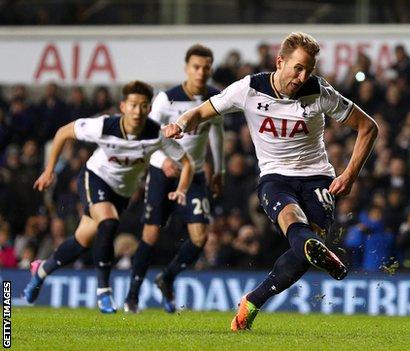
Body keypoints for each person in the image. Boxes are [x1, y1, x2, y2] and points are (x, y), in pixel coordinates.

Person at [163, 32, 378, 331]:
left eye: (309, 70)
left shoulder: (320, 92)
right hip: (275, 177)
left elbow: (368, 127)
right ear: (280, 62)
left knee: (304, 253)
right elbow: (201, 111)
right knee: (294, 222)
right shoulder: (249, 88)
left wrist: (349, 175)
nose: (303, 76)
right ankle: (315, 251)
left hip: (317, 176)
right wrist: (180, 124)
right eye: (298, 68)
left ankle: (252, 301)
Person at [22, 81, 194, 314]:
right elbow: (63, 132)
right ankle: (104, 291)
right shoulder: (104, 126)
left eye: (143, 106)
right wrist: (50, 169)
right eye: (133, 105)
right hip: (95, 177)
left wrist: (182, 189)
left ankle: (41, 270)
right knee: (109, 222)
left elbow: (187, 163)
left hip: (122, 193)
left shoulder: (156, 134)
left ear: (149, 108)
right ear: (123, 106)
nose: (138, 111)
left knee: (82, 241)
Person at [123, 44, 224, 314]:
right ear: (186, 68)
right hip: (161, 170)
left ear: (211, 69)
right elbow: (147, 132)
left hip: (197, 174)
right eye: (196, 67)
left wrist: (220, 169)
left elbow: (216, 133)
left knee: (200, 237)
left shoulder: (214, 98)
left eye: (206, 67)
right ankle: (132, 296)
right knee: (151, 234)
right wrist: (163, 159)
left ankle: (167, 277)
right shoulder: (166, 99)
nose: (201, 72)